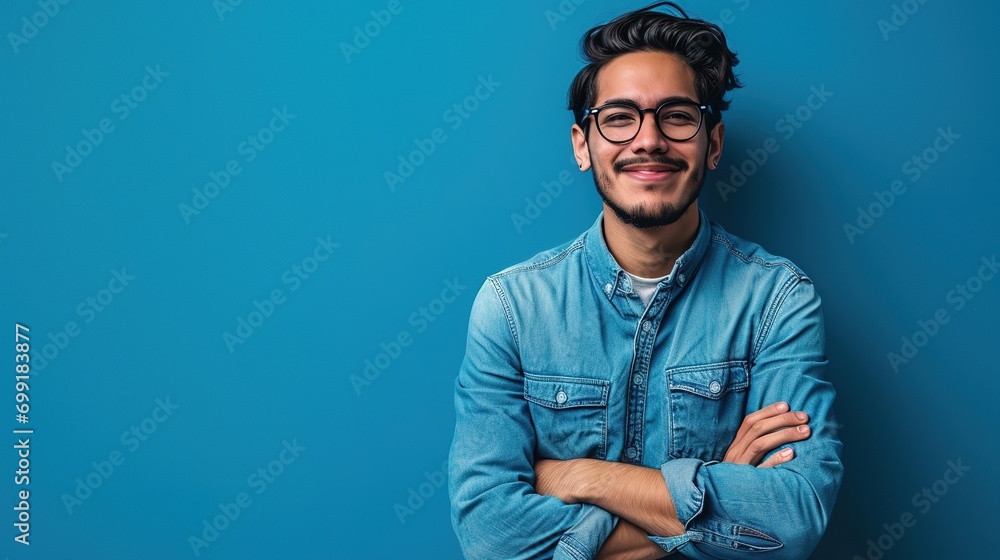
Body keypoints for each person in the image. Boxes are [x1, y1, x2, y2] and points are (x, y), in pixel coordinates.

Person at [447, 3, 843, 559]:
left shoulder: (777, 301)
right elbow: (489, 537)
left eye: (677, 115)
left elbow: (792, 522)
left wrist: (581, 477)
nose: (649, 140)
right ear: (583, 145)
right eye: (618, 117)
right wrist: (717, 490)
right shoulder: (511, 306)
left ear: (714, 142)